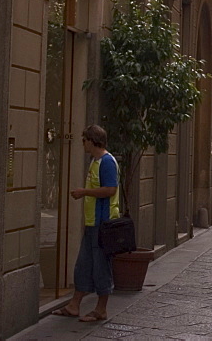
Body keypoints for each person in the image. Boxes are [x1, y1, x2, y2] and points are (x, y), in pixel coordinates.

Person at [52, 125, 120, 322]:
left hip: (102, 223)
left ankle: (101, 309)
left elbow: (110, 190)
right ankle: (74, 305)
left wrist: (84, 192)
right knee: (84, 264)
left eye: (84, 140)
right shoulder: (95, 161)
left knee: (100, 266)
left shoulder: (106, 162)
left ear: (92, 140)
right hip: (92, 223)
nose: (82, 144)